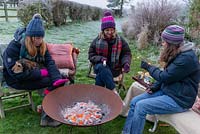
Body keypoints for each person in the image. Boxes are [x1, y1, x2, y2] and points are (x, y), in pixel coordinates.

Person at [122, 25, 200, 134]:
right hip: (170, 91)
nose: (162, 43)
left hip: (180, 100)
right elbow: (170, 75)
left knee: (141, 106)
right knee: (135, 101)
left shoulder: (186, 58)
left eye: (164, 41)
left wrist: (148, 67)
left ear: (171, 44)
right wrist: (155, 87)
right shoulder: (179, 52)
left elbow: (165, 76)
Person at [2, 13, 67, 127]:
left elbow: (50, 62)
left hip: (32, 76)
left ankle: (50, 107)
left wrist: (57, 77)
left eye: (42, 37)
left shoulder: (41, 45)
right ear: (30, 37)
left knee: (61, 80)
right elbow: (15, 74)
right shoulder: (14, 47)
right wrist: (41, 73)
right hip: (16, 80)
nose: (40, 41)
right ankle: (47, 119)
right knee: (51, 83)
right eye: (37, 38)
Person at [88, 11, 132, 93]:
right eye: (107, 30)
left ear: (114, 29)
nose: (109, 32)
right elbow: (91, 55)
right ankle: (113, 91)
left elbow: (126, 53)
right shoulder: (97, 40)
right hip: (99, 66)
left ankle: (98, 96)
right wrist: (100, 58)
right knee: (101, 67)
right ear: (103, 30)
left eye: (112, 30)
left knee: (100, 77)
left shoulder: (120, 40)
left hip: (114, 69)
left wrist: (126, 63)